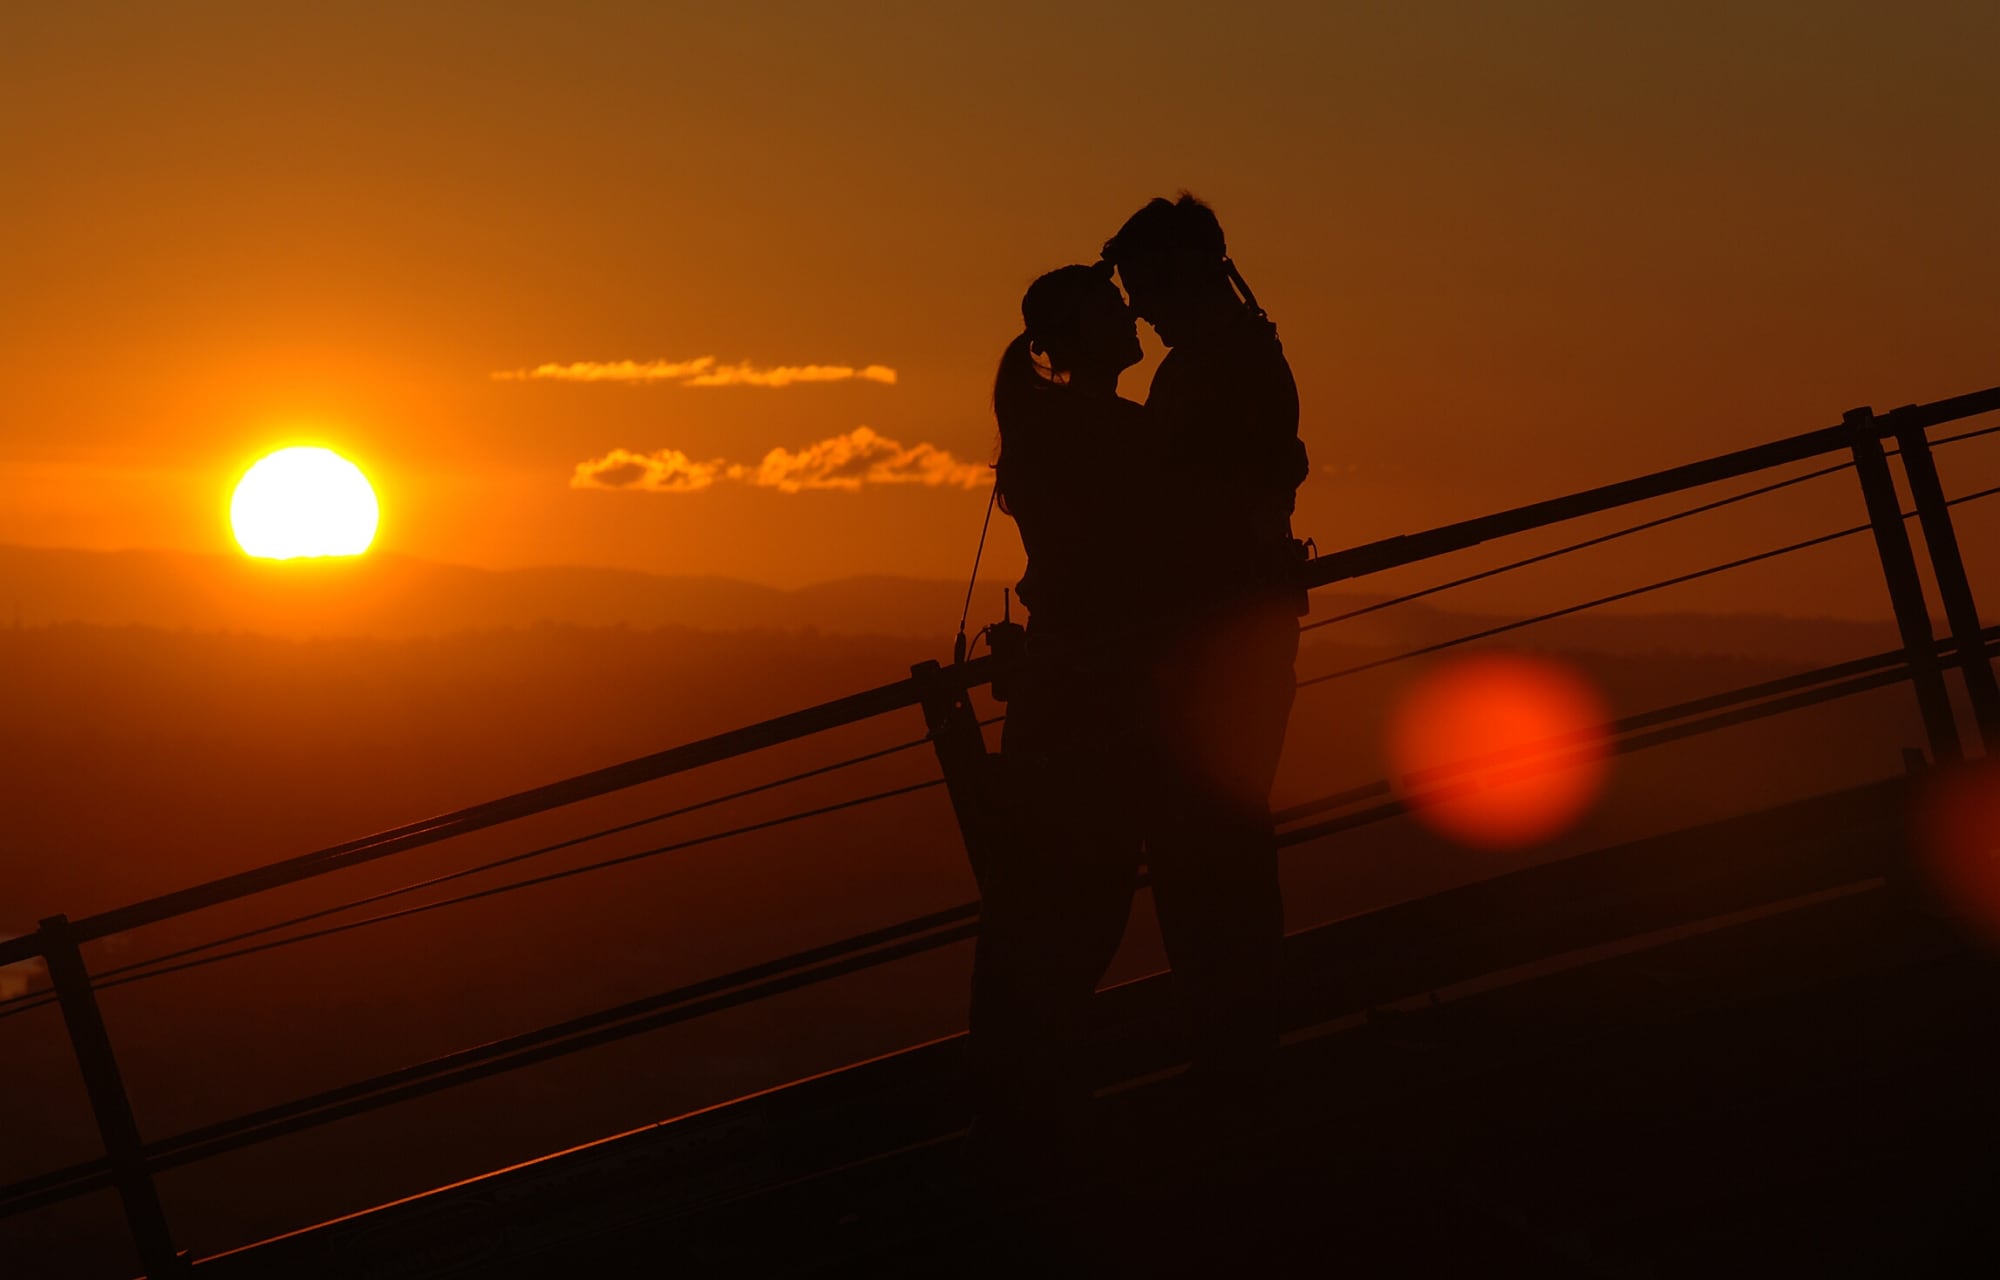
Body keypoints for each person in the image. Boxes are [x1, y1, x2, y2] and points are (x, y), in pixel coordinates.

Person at [1101, 193, 1308, 1103]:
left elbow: (1188, 506)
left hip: (1211, 644)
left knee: (1205, 846)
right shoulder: (1235, 359)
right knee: (1217, 839)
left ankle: (1233, 1049)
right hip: (1229, 635)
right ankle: (1236, 1039)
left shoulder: (1215, 370)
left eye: (1145, 289)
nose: (1139, 310)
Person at [967, 262, 1159, 1169]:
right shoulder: (1112, 433)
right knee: (1083, 899)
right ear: (1083, 335)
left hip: (1059, 690)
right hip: (1099, 693)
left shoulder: (1052, 427)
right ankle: (1039, 1120)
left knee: (1046, 902)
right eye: (1114, 310)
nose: (1133, 320)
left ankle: (1026, 1108)